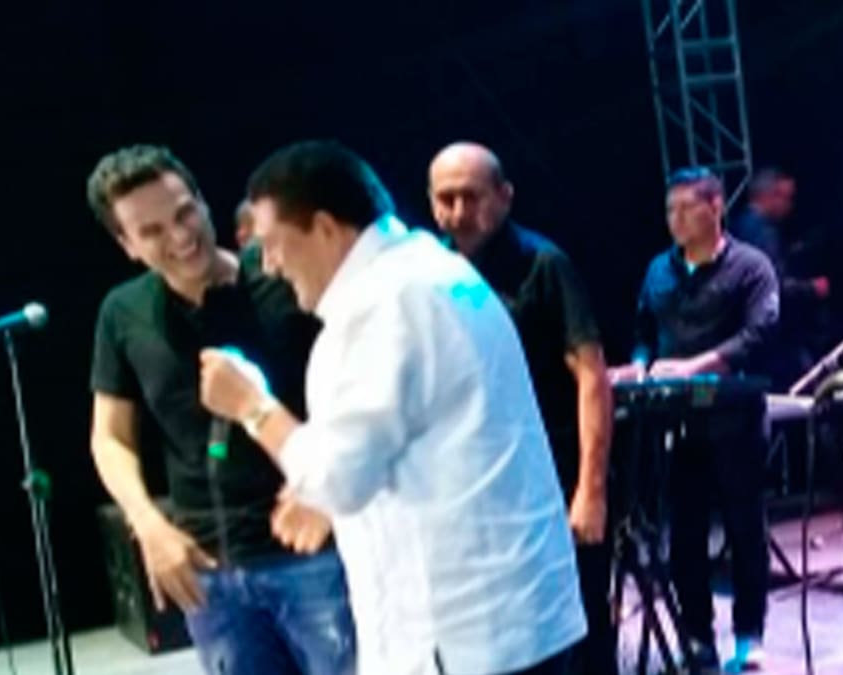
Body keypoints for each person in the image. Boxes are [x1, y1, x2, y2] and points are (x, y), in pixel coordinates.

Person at [199, 140, 586, 675]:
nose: (268, 266)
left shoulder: (379, 306)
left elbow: (337, 478)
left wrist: (252, 405)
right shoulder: (433, 271)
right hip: (512, 620)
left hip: (460, 636)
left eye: (272, 244)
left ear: (325, 227)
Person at [85, 144, 355, 675]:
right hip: (208, 569)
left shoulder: (282, 278)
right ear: (127, 245)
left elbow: (358, 395)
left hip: (314, 553)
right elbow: (109, 436)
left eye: (185, 213)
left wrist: (328, 489)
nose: (180, 237)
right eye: (152, 231)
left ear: (205, 202)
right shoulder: (123, 312)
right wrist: (148, 524)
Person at [427, 141, 616, 674]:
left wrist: (590, 490)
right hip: (480, 489)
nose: (458, 212)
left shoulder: (543, 264)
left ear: (505, 196)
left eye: (471, 197)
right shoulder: (430, 273)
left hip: (554, 474)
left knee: (581, 623)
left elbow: (591, 375)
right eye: (445, 199)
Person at [609, 167, 779, 673]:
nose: (675, 219)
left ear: (715, 207)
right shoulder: (658, 270)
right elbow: (644, 331)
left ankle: (749, 634)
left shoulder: (750, 266)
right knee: (684, 535)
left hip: (734, 419)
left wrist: (696, 366)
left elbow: (759, 332)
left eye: (686, 208)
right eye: (670, 210)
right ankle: (698, 637)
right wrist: (640, 365)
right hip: (677, 423)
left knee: (745, 529)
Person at [730, 168, 828, 390]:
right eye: (785, 197)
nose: (789, 205)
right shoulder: (760, 231)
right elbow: (773, 285)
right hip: (768, 336)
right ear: (768, 195)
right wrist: (812, 288)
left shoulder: (738, 225)